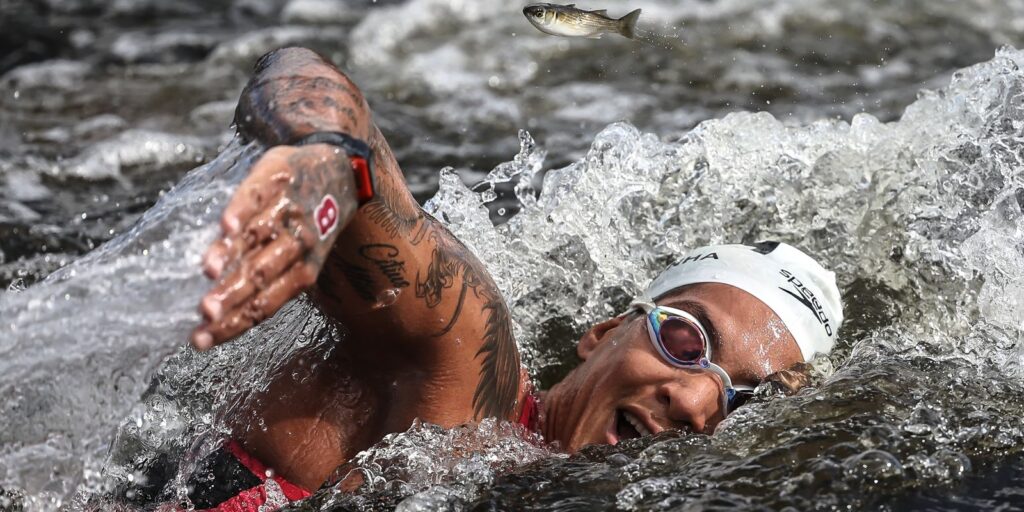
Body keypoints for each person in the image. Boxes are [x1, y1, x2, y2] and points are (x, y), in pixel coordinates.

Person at [174, 47, 844, 510]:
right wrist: (324, 158)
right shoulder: (464, 364)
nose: (698, 404)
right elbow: (309, 79)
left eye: (743, 401)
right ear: (603, 331)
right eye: (687, 340)